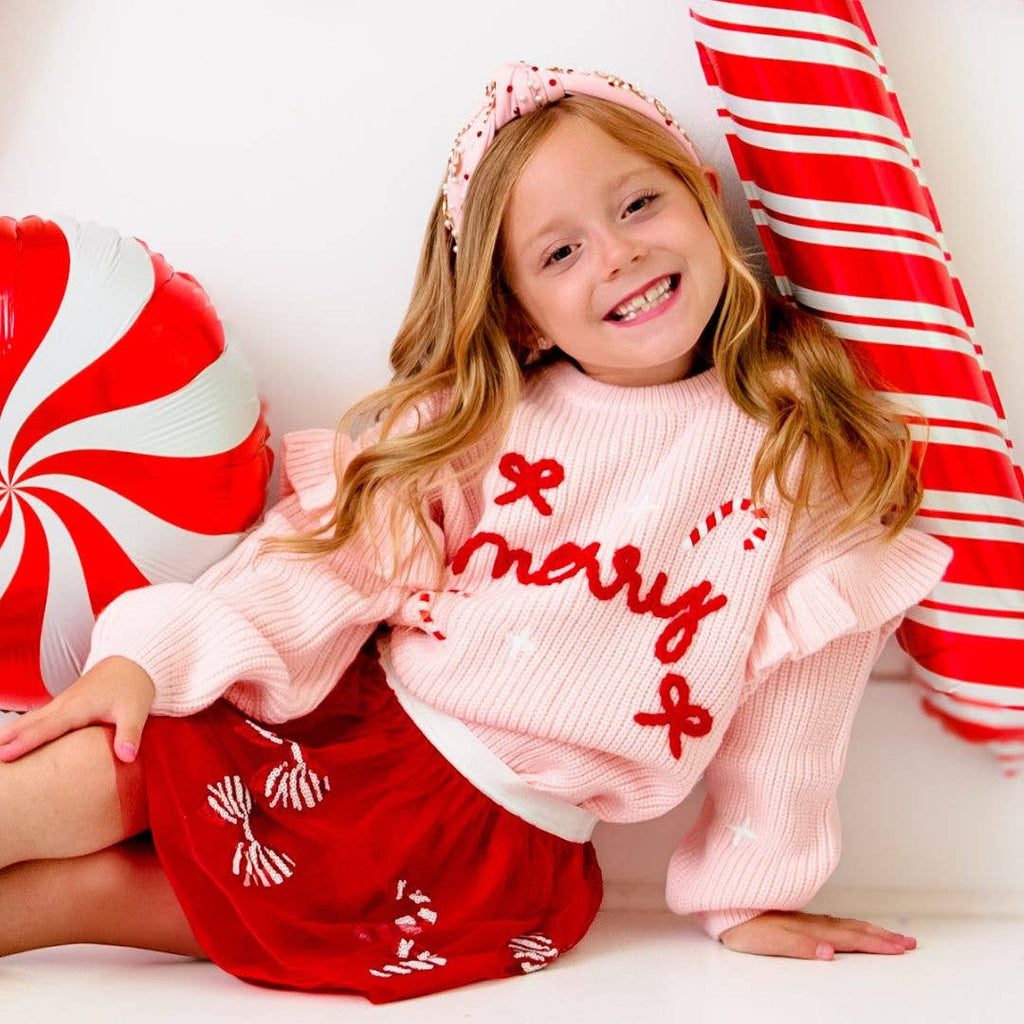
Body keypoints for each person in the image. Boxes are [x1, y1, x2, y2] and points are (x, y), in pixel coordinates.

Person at [0, 61, 953, 1003]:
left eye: (637, 206)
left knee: (77, 899)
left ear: (706, 200)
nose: (616, 255)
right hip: (344, 740)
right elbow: (323, 570)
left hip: (492, 862)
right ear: (517, 313)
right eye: (559, 252)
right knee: (117, 755)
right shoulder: (481, 424)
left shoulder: (802, 460)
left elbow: (796, 721)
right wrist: (150, 660)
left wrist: (754, 895)